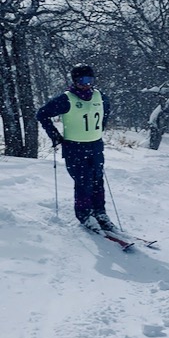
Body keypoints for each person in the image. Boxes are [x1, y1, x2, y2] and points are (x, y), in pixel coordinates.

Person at [37, 64, 116, 233]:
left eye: (90, 80)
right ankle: (85, 215)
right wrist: (55, 136)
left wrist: (99, 128)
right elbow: (42, 113)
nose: (86, 84)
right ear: (75, 81)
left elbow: (105, 111)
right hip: (75, 148)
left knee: (97, 180)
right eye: (82, 80)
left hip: (95, 146)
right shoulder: (66, 99)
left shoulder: (101, 97)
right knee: (83, 181)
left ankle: (100, 213)